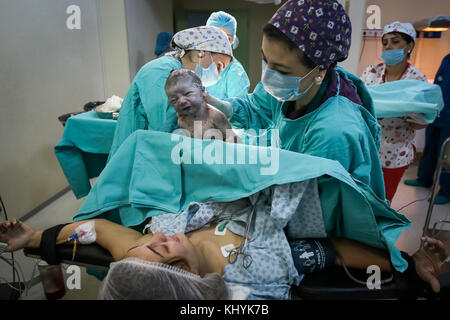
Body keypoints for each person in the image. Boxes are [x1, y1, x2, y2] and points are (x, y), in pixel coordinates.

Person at [1, 202, 449, 300]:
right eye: (163, 251)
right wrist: (405, 263)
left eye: (150, 243)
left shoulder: (135, 254)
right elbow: (332, 250)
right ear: (187, 275)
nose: (158, 239)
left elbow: (96, 229)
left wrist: (37, 238)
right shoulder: (255, 271)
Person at [206, 0, 386, 201]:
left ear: (319, 71)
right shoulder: (294, 87)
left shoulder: (334, 132)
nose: (268, 76)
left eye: (282, 69)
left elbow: (309, 211)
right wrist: (224, 108)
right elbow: (257, 108)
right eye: (266, 60)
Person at [108, 26, 233, 158]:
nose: (218, 75)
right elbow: (164, 131)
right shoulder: (160, 71)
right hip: (138, 156)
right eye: (219, 66)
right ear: (201, 53)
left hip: (156, 154)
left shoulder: (186, 78)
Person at [361, 21, 429, 203]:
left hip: (396, 152)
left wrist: (413, 114)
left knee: (382, 200)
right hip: (367, 148)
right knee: (360, 197)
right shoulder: (371, 73)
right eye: (385, 42)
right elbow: (359, 104)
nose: (388, 46)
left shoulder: (417, 79)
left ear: (409, 46)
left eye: (395, 41)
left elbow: (423, 121)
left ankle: (377, 231)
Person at [404, 54, 450, 205]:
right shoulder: (447, 58)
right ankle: (424, 178)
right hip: (438, 112)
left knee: (446, 155)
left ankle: (446, 190)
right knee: (430, 148)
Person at [165, 69, 242, 143]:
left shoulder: (214, 116)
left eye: (187, 94)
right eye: (174, 100)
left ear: (202, 92)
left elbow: (233, 138)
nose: (181, 102)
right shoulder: (181, 118)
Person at [205, 11, 251, 99]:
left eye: (227, 38)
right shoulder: (199, 63)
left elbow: (237, 110)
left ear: (233, 41)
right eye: (216, 36)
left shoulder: (235, 73)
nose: (221, 43)